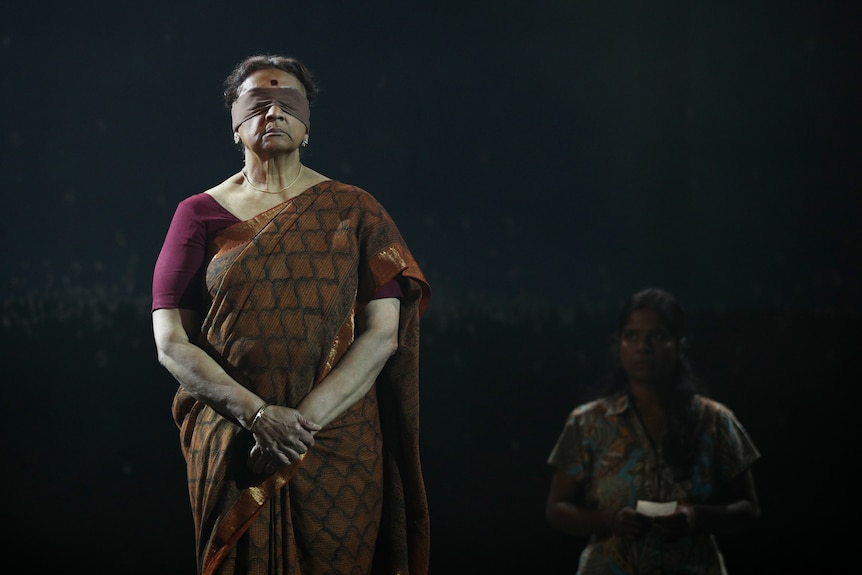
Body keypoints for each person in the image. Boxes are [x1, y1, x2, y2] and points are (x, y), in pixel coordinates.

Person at [151, 54, 431, 575]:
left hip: (335, 443)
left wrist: (296, 428)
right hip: (232, 441)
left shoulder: (355, 210)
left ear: (307, 122)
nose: (273, 113)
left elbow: (383, 333)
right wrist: (257, 418)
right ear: (235, 124)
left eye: (288, 103)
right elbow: (172, 340)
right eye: (258, 103)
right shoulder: (199, 213)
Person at [545, 288, 760, 574]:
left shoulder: (715, 421)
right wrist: (610, 520)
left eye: (657, 336)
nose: (642, 347)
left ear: (679, 346)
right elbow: (557, 509)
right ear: (619, 344)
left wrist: (695, 517)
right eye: (631, 336)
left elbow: (748, 509)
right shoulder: (588, 422)